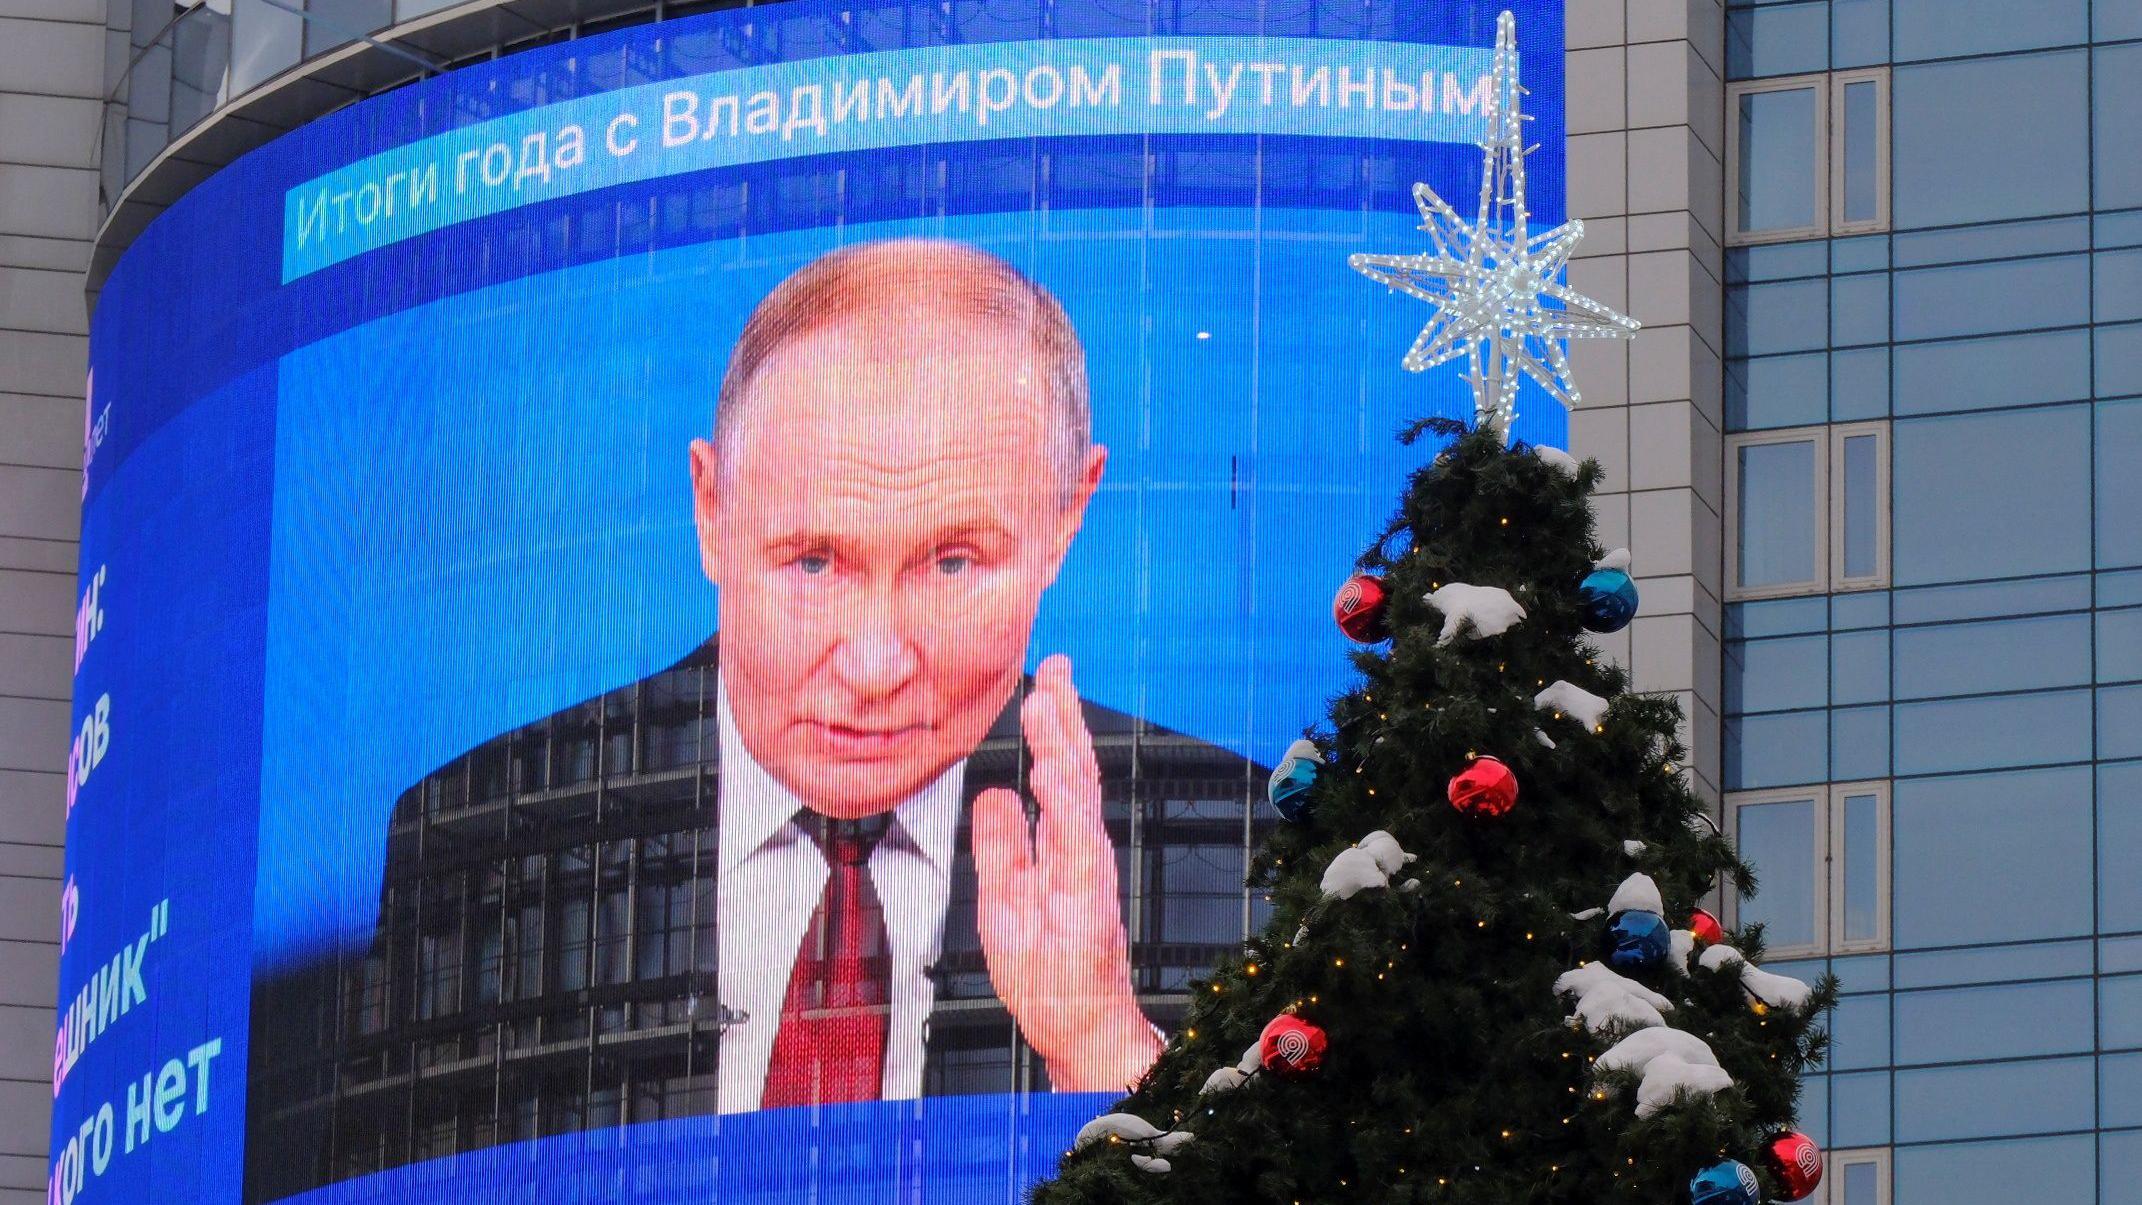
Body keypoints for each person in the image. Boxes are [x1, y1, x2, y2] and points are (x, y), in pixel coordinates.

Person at [247, 240, 1257, 1192]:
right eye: (814, 561)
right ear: (710, 506)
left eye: (953, 561)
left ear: (1068, 513)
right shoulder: (496, 827)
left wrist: (1104, 1052)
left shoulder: (1227, 841)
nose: (873, 665)